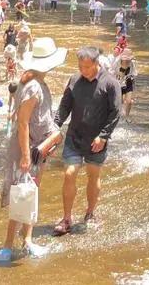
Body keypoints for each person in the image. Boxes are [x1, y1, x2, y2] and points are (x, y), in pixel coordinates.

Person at [0, 37, 67, 261]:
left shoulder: (34, 83)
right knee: (23, 195)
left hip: (37, 148)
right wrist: (27, 156)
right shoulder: (34, 86)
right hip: (28, 149)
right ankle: (9, 245)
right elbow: (23, 123)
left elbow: (39, 119)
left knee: (30, 193)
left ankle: (26, 240)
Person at [52, 46, 122, 236]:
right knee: (69, 174)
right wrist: (54, 126)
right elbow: (65, 106)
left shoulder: (110, 83)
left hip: (96, 141)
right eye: (80, 66)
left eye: (86, 67)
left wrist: (104, 136)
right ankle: (67, 218)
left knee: (93, 175)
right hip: (74, 136)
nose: (83, 70)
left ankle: (90, 213)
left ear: (96, 64)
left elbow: (115, 113)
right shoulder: (75, 80)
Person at [116, 49, 137, 120]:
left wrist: (134, 91)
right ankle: (118, 115)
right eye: (125, 59)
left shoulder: (132, 63)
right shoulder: (117, 61)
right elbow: (111, 71)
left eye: (128, 59)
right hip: (118, 82)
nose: (127, 61)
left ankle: (127, 116)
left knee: (129, 101)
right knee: (120, 101)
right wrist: (120, 71)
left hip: (128, 81)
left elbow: (134, 73)